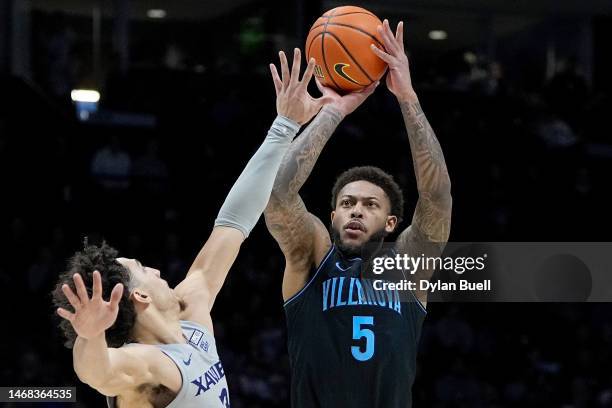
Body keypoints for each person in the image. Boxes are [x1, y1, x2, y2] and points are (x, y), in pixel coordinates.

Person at [52, 48, 330, 408]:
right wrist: (90, 337)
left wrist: (286, 125)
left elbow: (233, 223)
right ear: (140, 296)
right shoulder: (147, 364)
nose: (154, 269)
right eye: (142, 269)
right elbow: (99, 373)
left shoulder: (191, 316)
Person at [264, 20, 452, 407]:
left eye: (370, 205)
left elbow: (436, 195)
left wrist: (407, 98)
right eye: (347, 203)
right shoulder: (312, 257)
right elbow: (279, 195)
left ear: (391, 223)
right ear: (332, 216)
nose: (355, 211)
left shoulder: (407, 265)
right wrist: (333, 112)